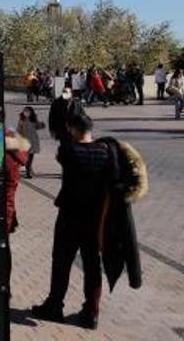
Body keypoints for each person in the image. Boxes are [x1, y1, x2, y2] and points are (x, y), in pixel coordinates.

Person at [30, 110, 117, 330]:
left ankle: (55, 305)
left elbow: (62, 154)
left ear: (73, 129)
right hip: (94, 219)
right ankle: (91, 312)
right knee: (92, 264)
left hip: (70, 216)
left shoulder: (68, 150)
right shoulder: (105, 153)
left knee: (61, 262)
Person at [4, 128, 31, 233]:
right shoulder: (9, 132)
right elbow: (24, 155)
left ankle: (8, 226)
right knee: (8, 200)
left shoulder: (7, 133)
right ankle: (10, 224)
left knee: (7, 200)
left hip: (7, 173)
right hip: (10, 172)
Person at [17, 106, 44, 178]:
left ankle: (28, 171)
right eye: (25, 111)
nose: (26, 113)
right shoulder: (21, 119)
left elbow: (37, 127)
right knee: (26, 157)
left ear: (31, 112)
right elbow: (18, 130)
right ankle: (28, 171)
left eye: (28, 111)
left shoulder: (33, 119)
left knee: (30, 157)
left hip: (33, 140)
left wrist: (41, 125)